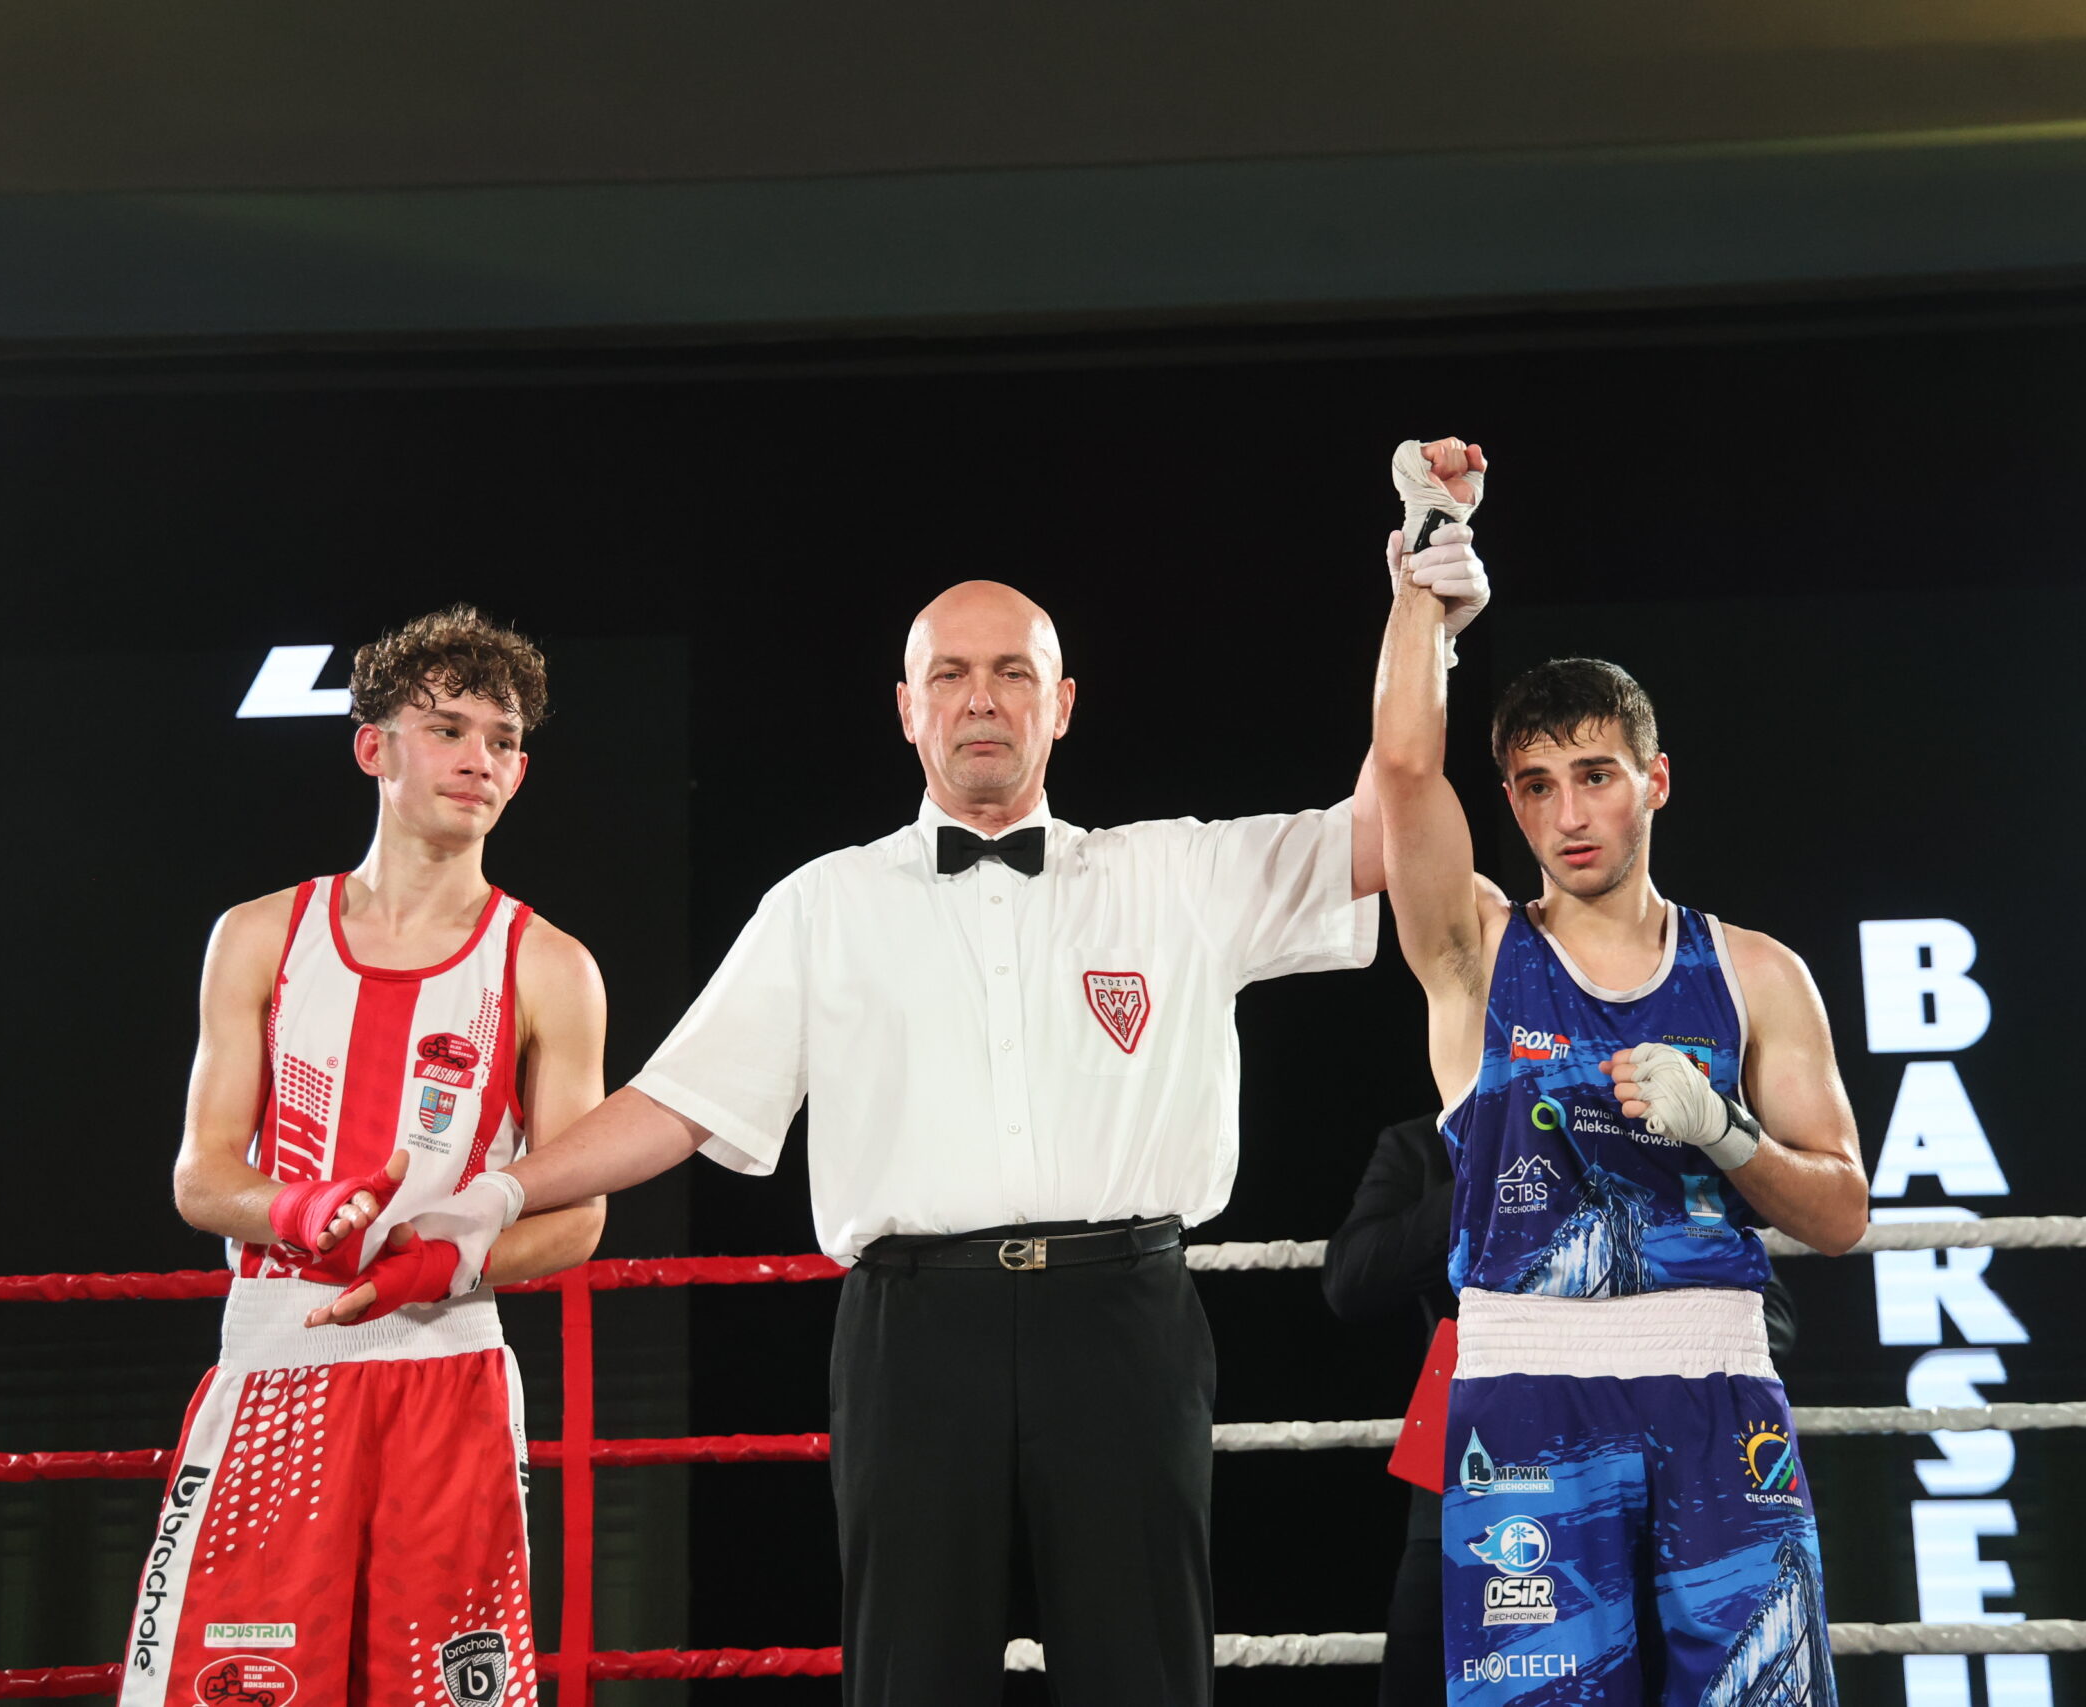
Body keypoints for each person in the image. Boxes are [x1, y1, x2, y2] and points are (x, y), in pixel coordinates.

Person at [323, 580, 1384, 1705]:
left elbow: (1388, 821)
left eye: (1013, 673)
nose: (982, 700)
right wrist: (496, 1195)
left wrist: (1424, 612)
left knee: (1145, 1676)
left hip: (1126, 1318)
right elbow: (678, 1100)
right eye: (949, 675)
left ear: (1062, 704)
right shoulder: (823, 904)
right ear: (907, 707)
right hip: (914, 1333)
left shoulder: (1175, 873)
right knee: (908, 1677)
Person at [1371, 440, 1865, 1703]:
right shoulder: (1475, 955)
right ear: (1512, 803)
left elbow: (1841, 1213)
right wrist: (1423, 578)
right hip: (1527, 1394)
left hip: (1718, 1385)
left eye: (1593, 776)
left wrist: (1727, 1134)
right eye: (1535, 786)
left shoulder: (1756, 973)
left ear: (1653, 780)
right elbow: (1405, 774)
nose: (1568, 814)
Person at [118, 607, 608, 1707]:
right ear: (373, 747)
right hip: (279, 1367)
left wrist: (444, 1260)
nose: (479, 759)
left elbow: (580, 1215)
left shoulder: (551, 967)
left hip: (448, 1370)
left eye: (503, 739)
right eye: (448, 729)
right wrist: (302, 1211)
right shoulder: (260, 935)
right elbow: (201, 1177)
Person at [1322, 1115, 1801, 1707]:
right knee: (1427, 1673)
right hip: (1473, 1475)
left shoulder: (1652, 1137)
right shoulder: (1422, 1143)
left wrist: (1620, 1335)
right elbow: (1350, 1279)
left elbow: (1770, 1319)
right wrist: (1493, 1168)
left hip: (1651, 1476)